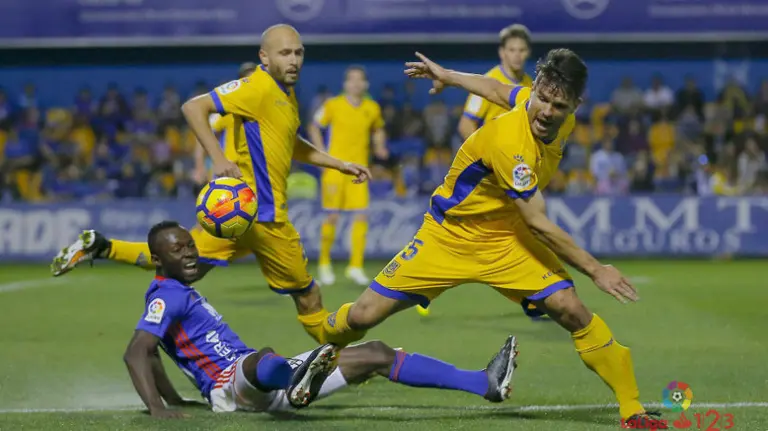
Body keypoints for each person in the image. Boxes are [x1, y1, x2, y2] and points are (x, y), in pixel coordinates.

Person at [318, 50, 660, 424]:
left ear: (575, 104)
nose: (545, 111)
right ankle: (319, 335)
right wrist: (597, 270)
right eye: (541, 100)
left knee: (571, 309)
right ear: (536, 92)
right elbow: (539, 224)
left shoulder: (556, 114)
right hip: (449, 237)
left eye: (557, 104)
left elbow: (498, 89)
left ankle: (633, 410)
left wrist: (448, 75)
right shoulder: (509, 142)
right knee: (363, 316)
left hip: (506, 239)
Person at [50, 25, 371, 346]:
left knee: (184, 263)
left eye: (298, 53)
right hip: (265, 217)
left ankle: (102, 247)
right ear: (264, 56)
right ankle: (341, 361)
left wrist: (338, 163)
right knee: (308, 296)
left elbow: (292, 143)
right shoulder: (256, 87)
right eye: (284, 53)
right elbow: (193, 107)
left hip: (240, 215)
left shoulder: (284, 94)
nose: (294, 60)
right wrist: (217, 159)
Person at [125, 221, 520, 418]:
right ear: (158, 260)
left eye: (191, 246)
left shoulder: (177, 293)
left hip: (266, 382)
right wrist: (158, 410)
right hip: (232, 385)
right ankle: (295, 378)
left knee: (378, 353)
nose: (190, 254)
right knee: (260, 358)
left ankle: (483, 383)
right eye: (179, 250)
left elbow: (155, 351)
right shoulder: (167, 295)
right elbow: (136, 353)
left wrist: (173, 398)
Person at [425, 24, 540, 321]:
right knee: (480, 236)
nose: (516, 55)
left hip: (512, 172)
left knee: (519, 231)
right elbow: (466, 125)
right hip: (485, 174)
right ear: (502, 52)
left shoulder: (529, 85)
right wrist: (490, 161)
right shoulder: (489, 81)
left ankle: (532, 296)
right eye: (511, 50)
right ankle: (424, 283)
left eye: (522, 50)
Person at [307, 65, 389, 287]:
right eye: (351, 80)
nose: (355, 84)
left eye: (359, 80)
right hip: (335, 169)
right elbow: (314, 126)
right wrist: (321, 152)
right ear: (345, 84)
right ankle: (324, 264)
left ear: (366, 84)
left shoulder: (372, 108)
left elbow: (378, 129)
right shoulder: (332, 105)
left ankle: (355, 266)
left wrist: (380, 145)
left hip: (359, 170)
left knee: (361, 215)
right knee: (332, 216)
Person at [193, 62, 258, 186]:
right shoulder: (228, 108)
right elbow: (202, 133)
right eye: (246, 79)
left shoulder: (268, 109)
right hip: (230, 173)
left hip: (256, 173)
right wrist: (199, 167)